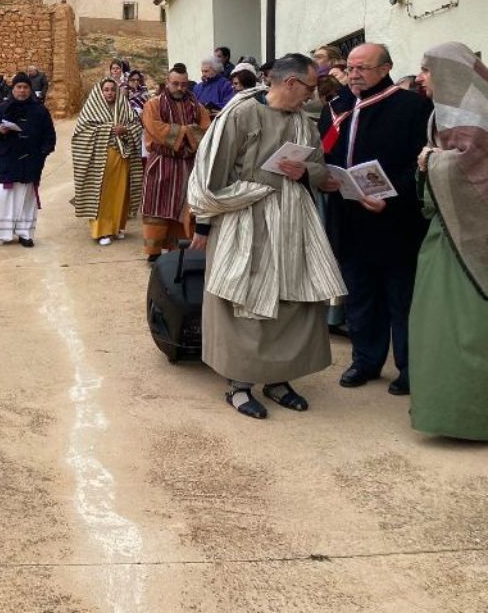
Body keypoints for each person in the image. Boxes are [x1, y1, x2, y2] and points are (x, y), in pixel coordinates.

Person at [187, 54, 346, 420]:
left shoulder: (302, 121)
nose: (312, 96)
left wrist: (304, 170)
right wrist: (204, 225)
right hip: (247, 219)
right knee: (246, 301)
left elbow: (320, 168)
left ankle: (278, 380)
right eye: (308, 88)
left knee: (292, 300)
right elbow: (213, 175)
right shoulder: (241, 114)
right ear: (289, 83)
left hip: (292, 221)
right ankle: (239, 385)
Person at [319, 43, 430, 396]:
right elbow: (324, 153)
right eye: (350, 67)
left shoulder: (412, 106)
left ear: (385, 69)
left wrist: (392, 195)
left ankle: (409, 367)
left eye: (363, 67)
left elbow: (421, 163)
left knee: (401, 297)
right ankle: (365, 361)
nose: (354, 73)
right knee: (360, 296)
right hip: (349, 218)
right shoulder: (335, 108)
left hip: (395, 220)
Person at [410, 43, 488, 440]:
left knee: (467, 328)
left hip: (472, 239)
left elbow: (471, 163)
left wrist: (430, 160)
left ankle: (469, 415)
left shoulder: (476, 113)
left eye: (427, 69)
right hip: (446, 232)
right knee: (439, 327)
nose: (421, 76)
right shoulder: (446, 113)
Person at [141, 66, 210, 260]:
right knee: (157, 207)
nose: (180, 88)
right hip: (160, 165)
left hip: (187, 166)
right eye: (175, 83)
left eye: (184, 84)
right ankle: (153, 253)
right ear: (167, 82)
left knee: (184, 207)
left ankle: (180, 251)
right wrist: (187, 131)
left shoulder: (197, 106)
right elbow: (155, 128)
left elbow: (206, 129)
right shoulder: (153, 104)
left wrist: (187, 132)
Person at [0, 72, 57, 246]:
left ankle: (25, 233)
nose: (22, 91)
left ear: (30, 89)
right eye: (19, 87)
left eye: (25, 87)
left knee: (27, 198)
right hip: (8, 160)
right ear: (13, 88)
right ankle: (1, 233)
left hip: (32, 162)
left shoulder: (40, 110)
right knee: (2, 196)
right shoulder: (2, 108)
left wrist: (42, 154)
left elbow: (50, 136)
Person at [71, 78, 143, 245]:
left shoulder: (124, 107)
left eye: (112, 89)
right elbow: (81, 133)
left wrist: (125, 129)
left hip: (122, 157)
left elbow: (137, 126)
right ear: (100, 92)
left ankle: (116, 227)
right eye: (106, 90)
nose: (110, 93)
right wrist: (108, 129)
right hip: (100, 160)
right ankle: (102, 231)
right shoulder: (91, 110)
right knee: (102, 195)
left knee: (120, 193)